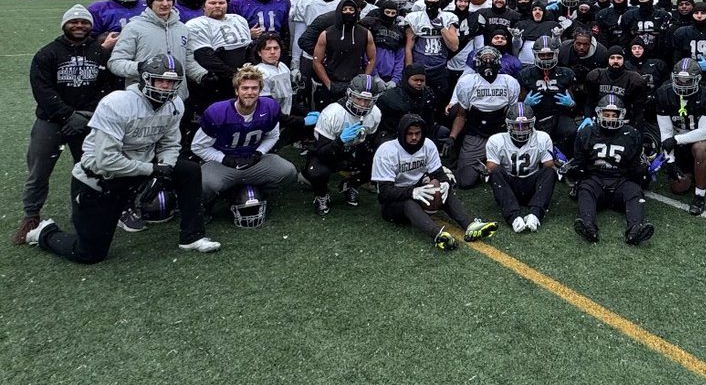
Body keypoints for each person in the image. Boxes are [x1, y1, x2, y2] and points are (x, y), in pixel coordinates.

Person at [25, 54, 220, 261]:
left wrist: (164, 168)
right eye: (160, 80)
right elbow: (106, 160)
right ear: (145, 79)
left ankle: (192, 236)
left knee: (188, 170)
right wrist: (152, 170)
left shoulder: (175, 104)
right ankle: (45, 232)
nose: (165, 87)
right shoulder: (117, 103)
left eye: (171, 82)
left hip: (140, 167)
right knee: (89, 253)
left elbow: (170, 144)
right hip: (100, 177)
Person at [14, 5, 119, 245]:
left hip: (87, 121)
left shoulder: (100, 53)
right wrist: (65, 115)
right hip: (50, 122)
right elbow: (42, 89)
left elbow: (108, 87)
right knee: (38, 170)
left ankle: (84, 212)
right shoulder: (48, 53)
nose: (79, 26)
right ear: (64, 25)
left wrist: (84, 115)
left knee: (89, 169)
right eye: (74, 22)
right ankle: (31, 215)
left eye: (84, 22)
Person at [371, 114, 497, 250]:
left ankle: (470, 224)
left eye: (417, 133)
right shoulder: (387, 151)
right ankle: (438, 235)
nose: (414, 137)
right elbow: (384, 192)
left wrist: (445, 184)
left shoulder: (428, 145)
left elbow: (439, 174)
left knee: (441, 187)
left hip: (420, 190)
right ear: (401, 133)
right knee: (409, 202)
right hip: (392, 203)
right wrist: (412, 192)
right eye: (410, 133)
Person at [191, 65, 298, 218]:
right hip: (223, 165)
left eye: (254, 88)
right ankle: (222, 197)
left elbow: (273, 136)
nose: (250, 92)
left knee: (288, 171)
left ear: (260, 90)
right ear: (236, 90)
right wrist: (223, 158)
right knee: (203, 183)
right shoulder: (218, 112)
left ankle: (257, 192)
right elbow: (197, 146)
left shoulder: (269, 107)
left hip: (252, 162)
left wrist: (258, 153)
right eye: (245, 88)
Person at [572, 93, 654, 245]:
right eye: (607, 114)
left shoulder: (631, 134)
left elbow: (634, 166)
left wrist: (644, 171)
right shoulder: (586, 133)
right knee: (585, 189)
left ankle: (636, 228)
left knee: (634, 191)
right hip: (595, 180)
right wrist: (578, 175)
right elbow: (580, 163)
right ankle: (587, 225)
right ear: (599, 113)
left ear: (621, 115)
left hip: (621, 180)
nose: (610, 118)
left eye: (613, 115)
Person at [304, 74, 383, 214]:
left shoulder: (375, 113)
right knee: (317, 171)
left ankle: (350, 184)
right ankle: (321, 194)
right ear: (350, 95)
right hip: (328, 153)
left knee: (380, 161)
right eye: (359, 98)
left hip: (353, 151)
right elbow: (321, 152)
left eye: (367, 100)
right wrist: (340, 141)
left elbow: (370, 141)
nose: (363, 104)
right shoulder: (333, 113)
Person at [446, 47, 520, 188]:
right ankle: (487, 167)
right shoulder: (467, 82)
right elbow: (462, 114)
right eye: (484, 60)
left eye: (491, 60)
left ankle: (491, 165)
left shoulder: (509, 82)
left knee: (515, 174)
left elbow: (511, 114)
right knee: (465, 181)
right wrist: (452, 137)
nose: (488, 63)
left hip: (501, 133)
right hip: (476, 133)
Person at [654, 58, 706, 215]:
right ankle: (694, 170)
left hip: (702, 138)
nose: (683, 84)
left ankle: (699, 196)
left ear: (698, 79)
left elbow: (704, 132)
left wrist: (676, 140)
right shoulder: (664, 94)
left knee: (701, 149)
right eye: (679, 80)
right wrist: (670, 161)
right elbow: (666, 132)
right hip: (678, 138)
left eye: (687, 80)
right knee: (679, 187)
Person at [485, 102, 558, 232]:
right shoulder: (496, 140)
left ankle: (535, 214)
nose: (520, 129)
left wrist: (559, 166)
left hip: (532, 185)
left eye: (524, 125)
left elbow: (549, 166)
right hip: (509, 186)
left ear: (532, 123)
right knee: (495, 172)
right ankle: (513, 217)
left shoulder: (542, 138)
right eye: (516, 125)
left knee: (549, 172)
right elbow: (491, 168)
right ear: (508, 124)